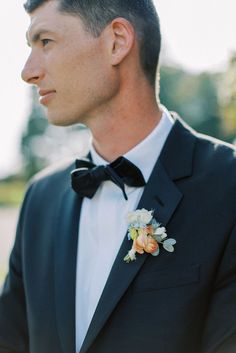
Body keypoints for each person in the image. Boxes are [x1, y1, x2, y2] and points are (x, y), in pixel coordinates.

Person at [0, 0, 236, 352]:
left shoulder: (227, 185)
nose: (28, 71)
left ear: (117, 42)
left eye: (45, 42)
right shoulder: (40, 199)